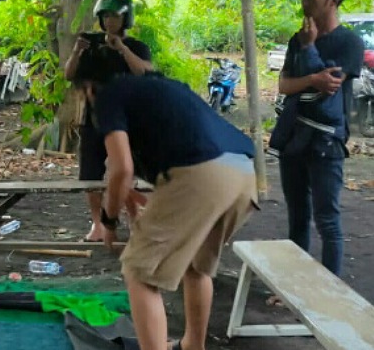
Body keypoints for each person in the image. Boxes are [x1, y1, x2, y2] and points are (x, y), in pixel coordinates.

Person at [73, 67, 257, 350]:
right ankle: (192, 345)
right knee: (196, 266)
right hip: (243, 172)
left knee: (138, 272)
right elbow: (133, 170)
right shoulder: (158, 88)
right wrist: (132, 199)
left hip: (202, 175)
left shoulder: (108, 96)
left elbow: (122, 170)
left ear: (88, 88)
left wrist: (108, 222)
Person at [274, 0, 364, 276]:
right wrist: (311, 77)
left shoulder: (349, 42)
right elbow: (284, 86)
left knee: (327, 219)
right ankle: (293, 286)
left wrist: (310, 49)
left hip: (327, 141)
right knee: (298, 216)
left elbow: (331, 85)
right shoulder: (295, 40)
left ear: (333, 1)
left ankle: (331, 292)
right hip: (293, 138)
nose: (305, 2)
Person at [65, 0, 153, 242]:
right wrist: (76, 52)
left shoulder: (136, 46)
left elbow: (146, 72)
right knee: (90, 173)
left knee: (124, 171)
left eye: (114, 16)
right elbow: (69, 75)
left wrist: (122, 48)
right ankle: (97, 223)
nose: (109, 21)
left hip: (126, 121)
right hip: (93, 120)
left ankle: (133, 218)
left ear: (125, 18)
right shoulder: (90, 43)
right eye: (105, 16)